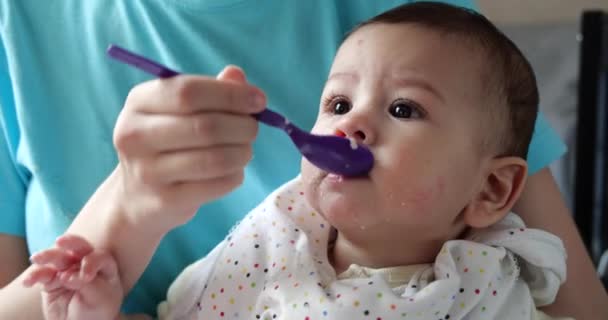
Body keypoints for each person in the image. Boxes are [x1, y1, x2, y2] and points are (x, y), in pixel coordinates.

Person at [0, 0, 605, 319]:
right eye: (337, 101)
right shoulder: (268, 248)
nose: (351, 123)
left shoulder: (490, 281)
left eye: (403, 110)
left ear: (491, 191)